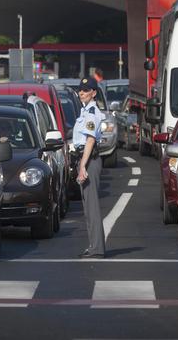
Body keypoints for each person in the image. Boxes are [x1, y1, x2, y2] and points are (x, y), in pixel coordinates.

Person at [73, 76, 106, 259]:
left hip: (89, 161)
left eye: (86, 90)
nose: (82, 93)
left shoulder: (92, 112)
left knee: (92, 206)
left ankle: (97, 248)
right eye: (80, 90)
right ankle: (94, 245)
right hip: (84, 159)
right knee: (87, 206)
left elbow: (90, 140)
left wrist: (83, 166)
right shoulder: (85, 111)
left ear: (93, 93)